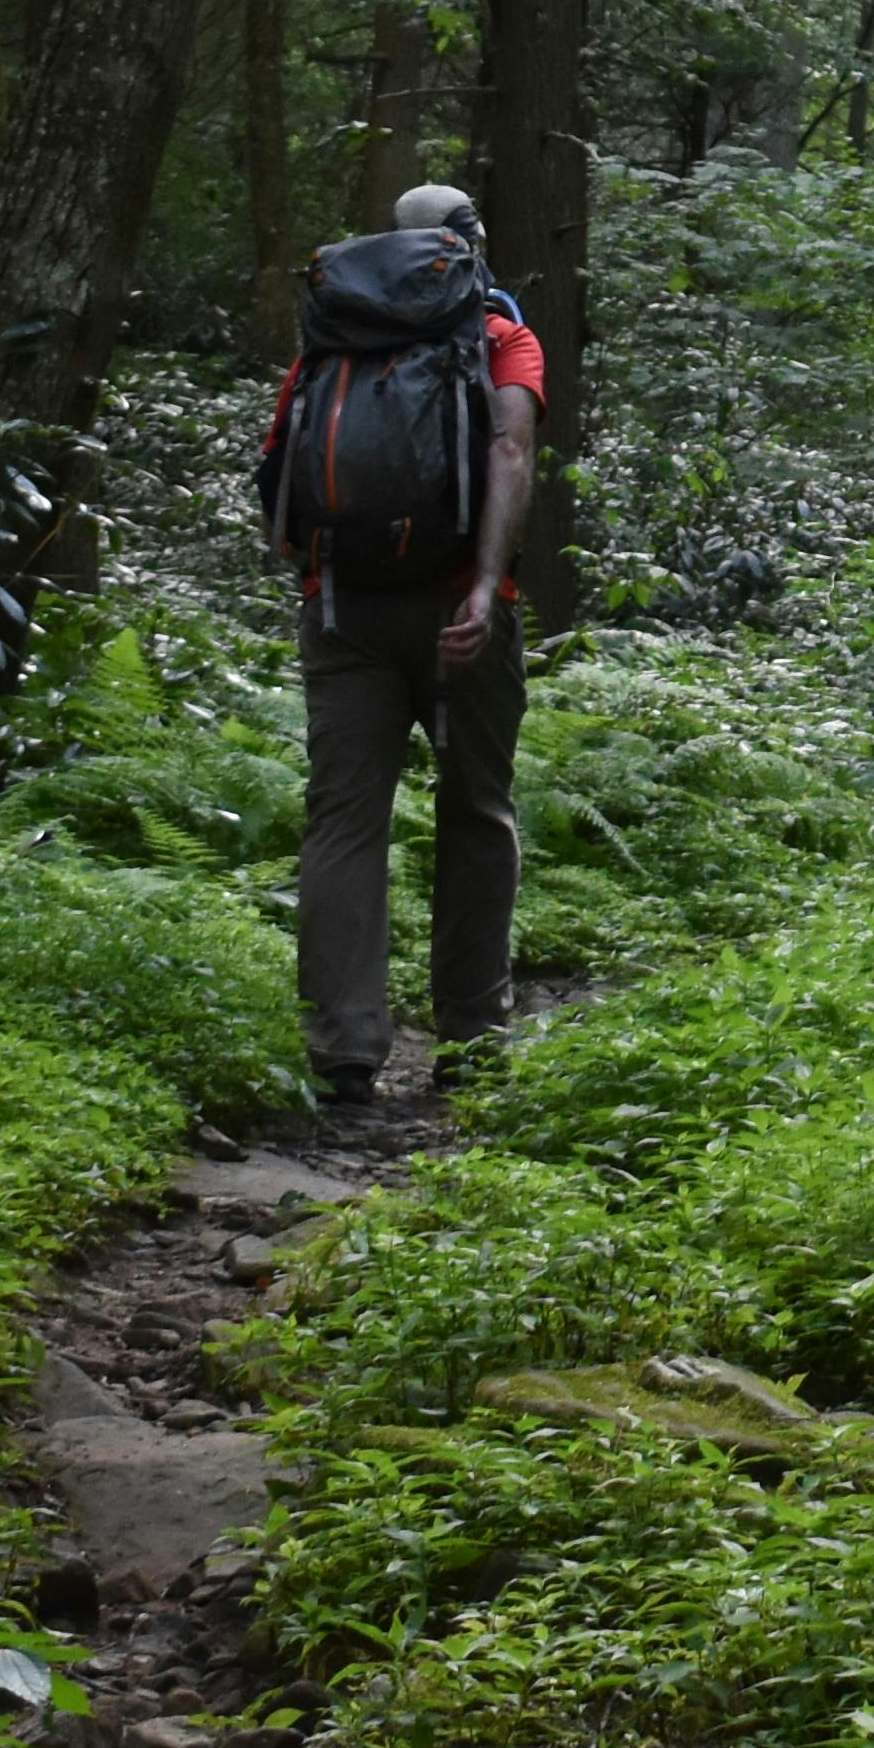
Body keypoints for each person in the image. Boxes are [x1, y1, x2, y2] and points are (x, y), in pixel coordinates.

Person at [276, 183, 540, 1108]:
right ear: (470, 243)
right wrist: (478, 585)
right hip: (463, 611)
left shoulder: (332, 340)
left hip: (343, 610)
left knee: (345, 821)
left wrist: (326, 581)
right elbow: (509, 453)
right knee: (478, 810)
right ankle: (471, 1036)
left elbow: (283, 471)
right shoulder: (501, 337)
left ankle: (343, 1051)